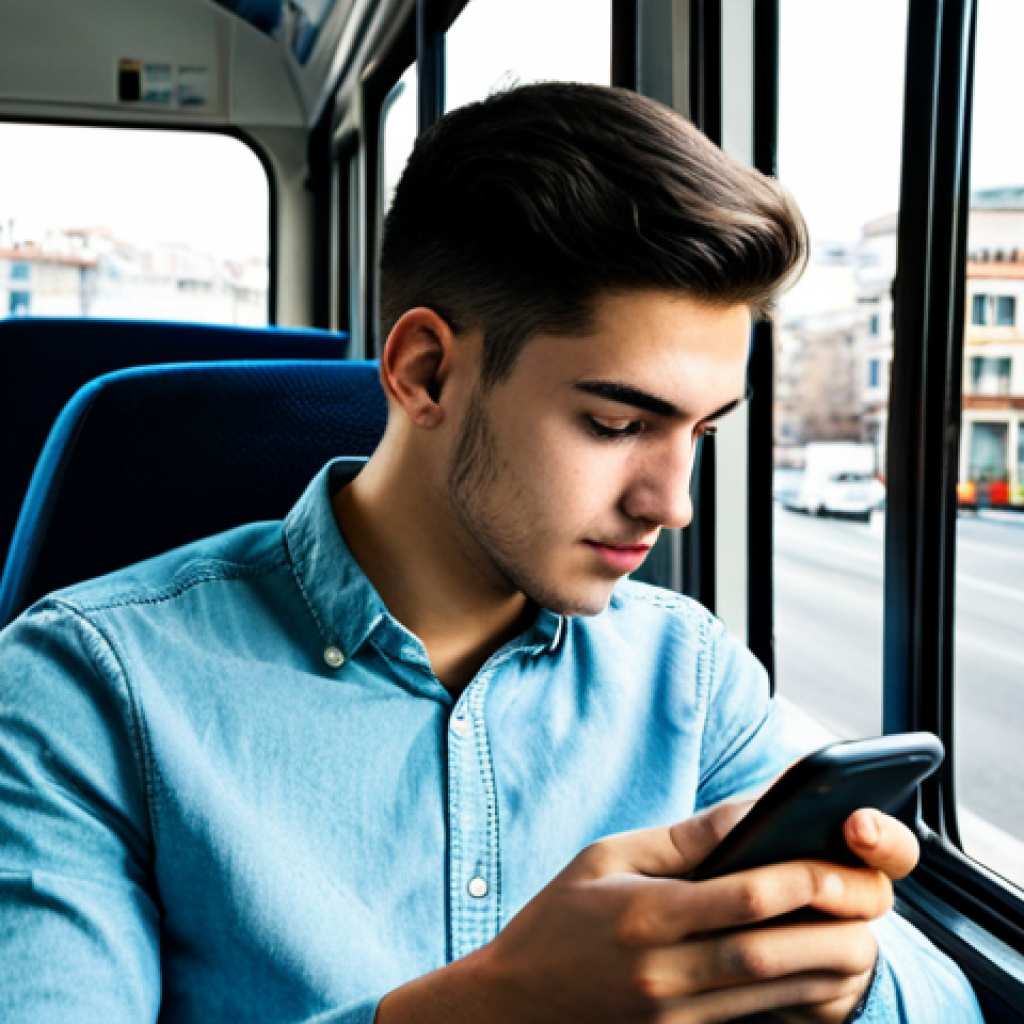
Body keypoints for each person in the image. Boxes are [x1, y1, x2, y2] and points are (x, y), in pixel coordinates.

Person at [0, 83, 981, 1023]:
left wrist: (844, 984)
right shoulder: (83, 688)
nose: (672, 503)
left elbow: (947, 1003)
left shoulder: (688, 676)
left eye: (704, 433)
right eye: (611, 422)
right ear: (425, 371)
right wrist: (491, 1009)